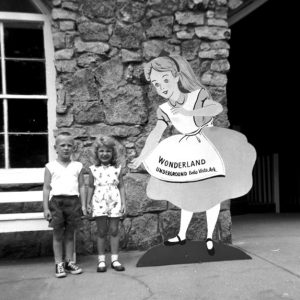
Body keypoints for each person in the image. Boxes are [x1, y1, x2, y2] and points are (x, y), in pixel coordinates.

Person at [129, 54, 256, 255]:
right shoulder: (164, 109)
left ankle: (209, 237)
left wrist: (189, 113)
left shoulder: (197, 95)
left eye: (165, 79)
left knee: (214, 191)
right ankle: (181, 235)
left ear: (177, 77)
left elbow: (216, 108)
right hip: (187, 148)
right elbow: (155, 134)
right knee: (187, 190)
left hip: (208, 144)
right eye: (155, 83)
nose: (161, 86)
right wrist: (142, 156)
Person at [43, 132, 87, 278]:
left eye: (69, 145)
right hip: (56, 203)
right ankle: (58, 263)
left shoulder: (77, 166)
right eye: (62, 145)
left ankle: (69, 262)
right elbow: (46, 188)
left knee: (70, 234)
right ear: (56, 148)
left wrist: (84, 204)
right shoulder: (50, 166)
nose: (66, 148)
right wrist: (45, 208)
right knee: (57, 234)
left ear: (74, 148)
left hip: (73, 202)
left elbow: (82, 186)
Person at [87, 136, 126, 272]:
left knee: (114, 230)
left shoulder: (117, 168)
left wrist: (123, 203)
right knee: (102, 231)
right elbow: (91, 187)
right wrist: (88, 203)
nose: (105, 154)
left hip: (114, 201)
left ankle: (114, 259)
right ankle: (101, 260)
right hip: (99, 202)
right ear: (97, 153)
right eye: (101, 151)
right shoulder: (93, 169)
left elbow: (121, 186)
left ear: (113, 153)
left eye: (108, 151)